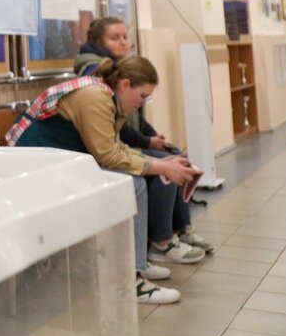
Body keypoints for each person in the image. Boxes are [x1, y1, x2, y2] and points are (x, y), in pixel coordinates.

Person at [6, 55, 203, 305]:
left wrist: (159, 162)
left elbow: (114, 148)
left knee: (136, 179)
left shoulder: (107, 95)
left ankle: (136, 264)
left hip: (61, 156)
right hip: (37, 162)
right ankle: (129, 278)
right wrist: (161, 166)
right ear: (125, 85)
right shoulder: (96, 98)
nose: (143, 103)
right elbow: (107, 155)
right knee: (133, 185)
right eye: (142, 96)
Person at [77, 17, 213, 258]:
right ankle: (160, 241)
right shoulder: (95, 78)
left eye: (125, 37)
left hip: (114, 145)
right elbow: (112, 136)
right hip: (86, 151)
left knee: (173, 157)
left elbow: (130, 118)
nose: (123, 42)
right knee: (158, 171)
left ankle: (180, 229)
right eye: (114, 38)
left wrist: (151, 137)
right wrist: (149, 145)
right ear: (98, 42)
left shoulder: (120, 71)